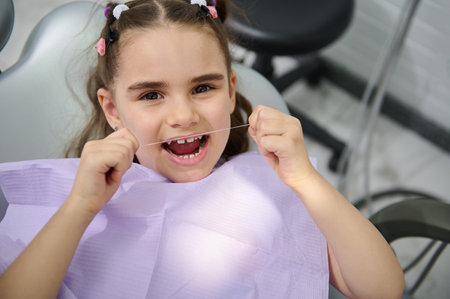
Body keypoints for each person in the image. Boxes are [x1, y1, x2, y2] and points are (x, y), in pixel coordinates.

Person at [0, 0, 404, 298]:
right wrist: (79, 209)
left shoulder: (269, 187)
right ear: (113, 110)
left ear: (231, 92)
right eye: (152, 94)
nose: (183, 115)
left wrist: (307, 181)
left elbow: (381, 290)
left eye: (202, 88)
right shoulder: (77, 203)